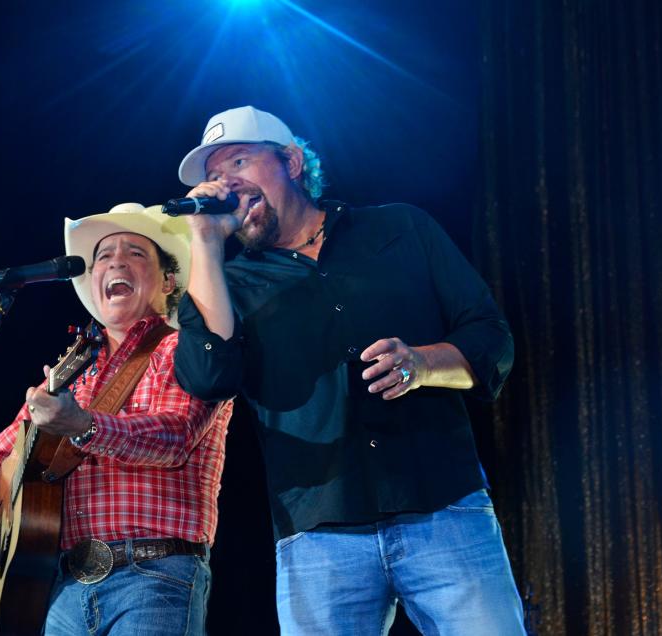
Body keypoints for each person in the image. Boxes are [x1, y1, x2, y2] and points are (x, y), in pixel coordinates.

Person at [172, 106, 525, 635]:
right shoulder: (226, 285)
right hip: (319, 535)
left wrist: (423, 363)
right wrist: (203, 239)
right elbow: (209, 378)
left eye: (240, 161)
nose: (227, 184)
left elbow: (491, 338)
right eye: (216, 177)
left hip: (444, 508)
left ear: (291, 161)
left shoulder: (401, 228)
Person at [0, 203, 233, 636]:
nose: (115, 261)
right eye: (104, 256)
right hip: (61, 590)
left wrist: (83, 426)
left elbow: (176, 436)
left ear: (168, 279)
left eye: (135, 253)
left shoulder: (186, 350)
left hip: (154, 574)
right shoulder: (69, 373)